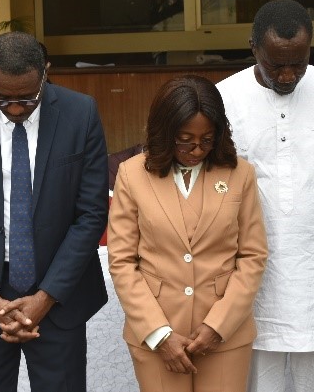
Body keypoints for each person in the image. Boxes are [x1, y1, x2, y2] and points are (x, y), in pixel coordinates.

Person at [0, 31, 109, 392]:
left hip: (59, 295)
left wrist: (46, 297)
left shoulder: (81, 113)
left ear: (45, 74)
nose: (15, 108)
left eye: (28, 98)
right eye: (2, 98)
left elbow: (91, 214)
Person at [215, 0, 314, 392]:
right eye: (276, 64)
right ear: (253, 48)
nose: (287, 75)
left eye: (298, 63)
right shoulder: (223, 98)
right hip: (251, 280)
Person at [108, 75, 267, 391]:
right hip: (156, 336)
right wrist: (159, 333)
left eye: (206, 140)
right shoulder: (132, 174)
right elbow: (122, 262)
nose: (196, 149)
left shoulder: (240, 174)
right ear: (163, 133)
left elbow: (252, 257)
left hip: (225, 335)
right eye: (185, 140)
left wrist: (217, 326)